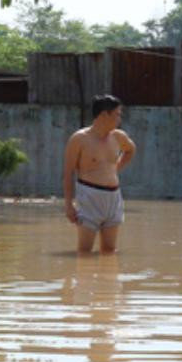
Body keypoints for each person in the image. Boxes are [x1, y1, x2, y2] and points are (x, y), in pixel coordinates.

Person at [63, 94, 136, 254]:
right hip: (89, 196)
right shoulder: (79, 139)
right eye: (117, 114)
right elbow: (68, 173)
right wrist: (69, 204)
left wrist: (115, 168)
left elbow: (131, 150)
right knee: (84, 252)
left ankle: (108, 279)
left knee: (110, 250)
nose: (119, 119)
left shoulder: (118, 137)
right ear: (104, 115)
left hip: (113, 197)